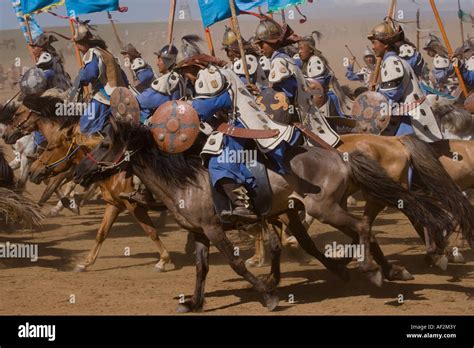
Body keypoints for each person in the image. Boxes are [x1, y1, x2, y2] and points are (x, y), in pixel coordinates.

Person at [175, 53, 301, 220]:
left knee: (219, 162)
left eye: (186, 73)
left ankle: (242, 204)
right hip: (237, 123)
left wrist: (187, 109)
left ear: (195, 67)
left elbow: (213, 103)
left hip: (242, 125)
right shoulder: (217, 73)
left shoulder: (209, 75)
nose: (187, 78)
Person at [252, 17, 340, 146]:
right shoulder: (283, 58)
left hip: (298, 121)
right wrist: (260, 91)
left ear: (273, 42)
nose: (260, 48)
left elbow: (283, 97)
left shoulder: (279, 61)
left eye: (262, 44)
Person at [367, 19, 442, 141]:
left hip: (407, 122)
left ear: (385, 44)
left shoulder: (391, 62)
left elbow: (392, 95)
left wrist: (374, 96)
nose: (373, 47)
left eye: (374, 43)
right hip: (405, 117)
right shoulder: (394, 60)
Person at [73, 22, 128, 138]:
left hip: (105, 97)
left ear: (80, 43)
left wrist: (81, 76)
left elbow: (90, 74)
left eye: (76, 44)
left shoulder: (91, 53)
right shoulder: (105, 52)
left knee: (85, 126)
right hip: (120, 94)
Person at [221, 26, 267, 90]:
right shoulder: (238, 62)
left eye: (227, 51)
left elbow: (242, 86)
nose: (227, 55)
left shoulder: (247, 60)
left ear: (234, 50)